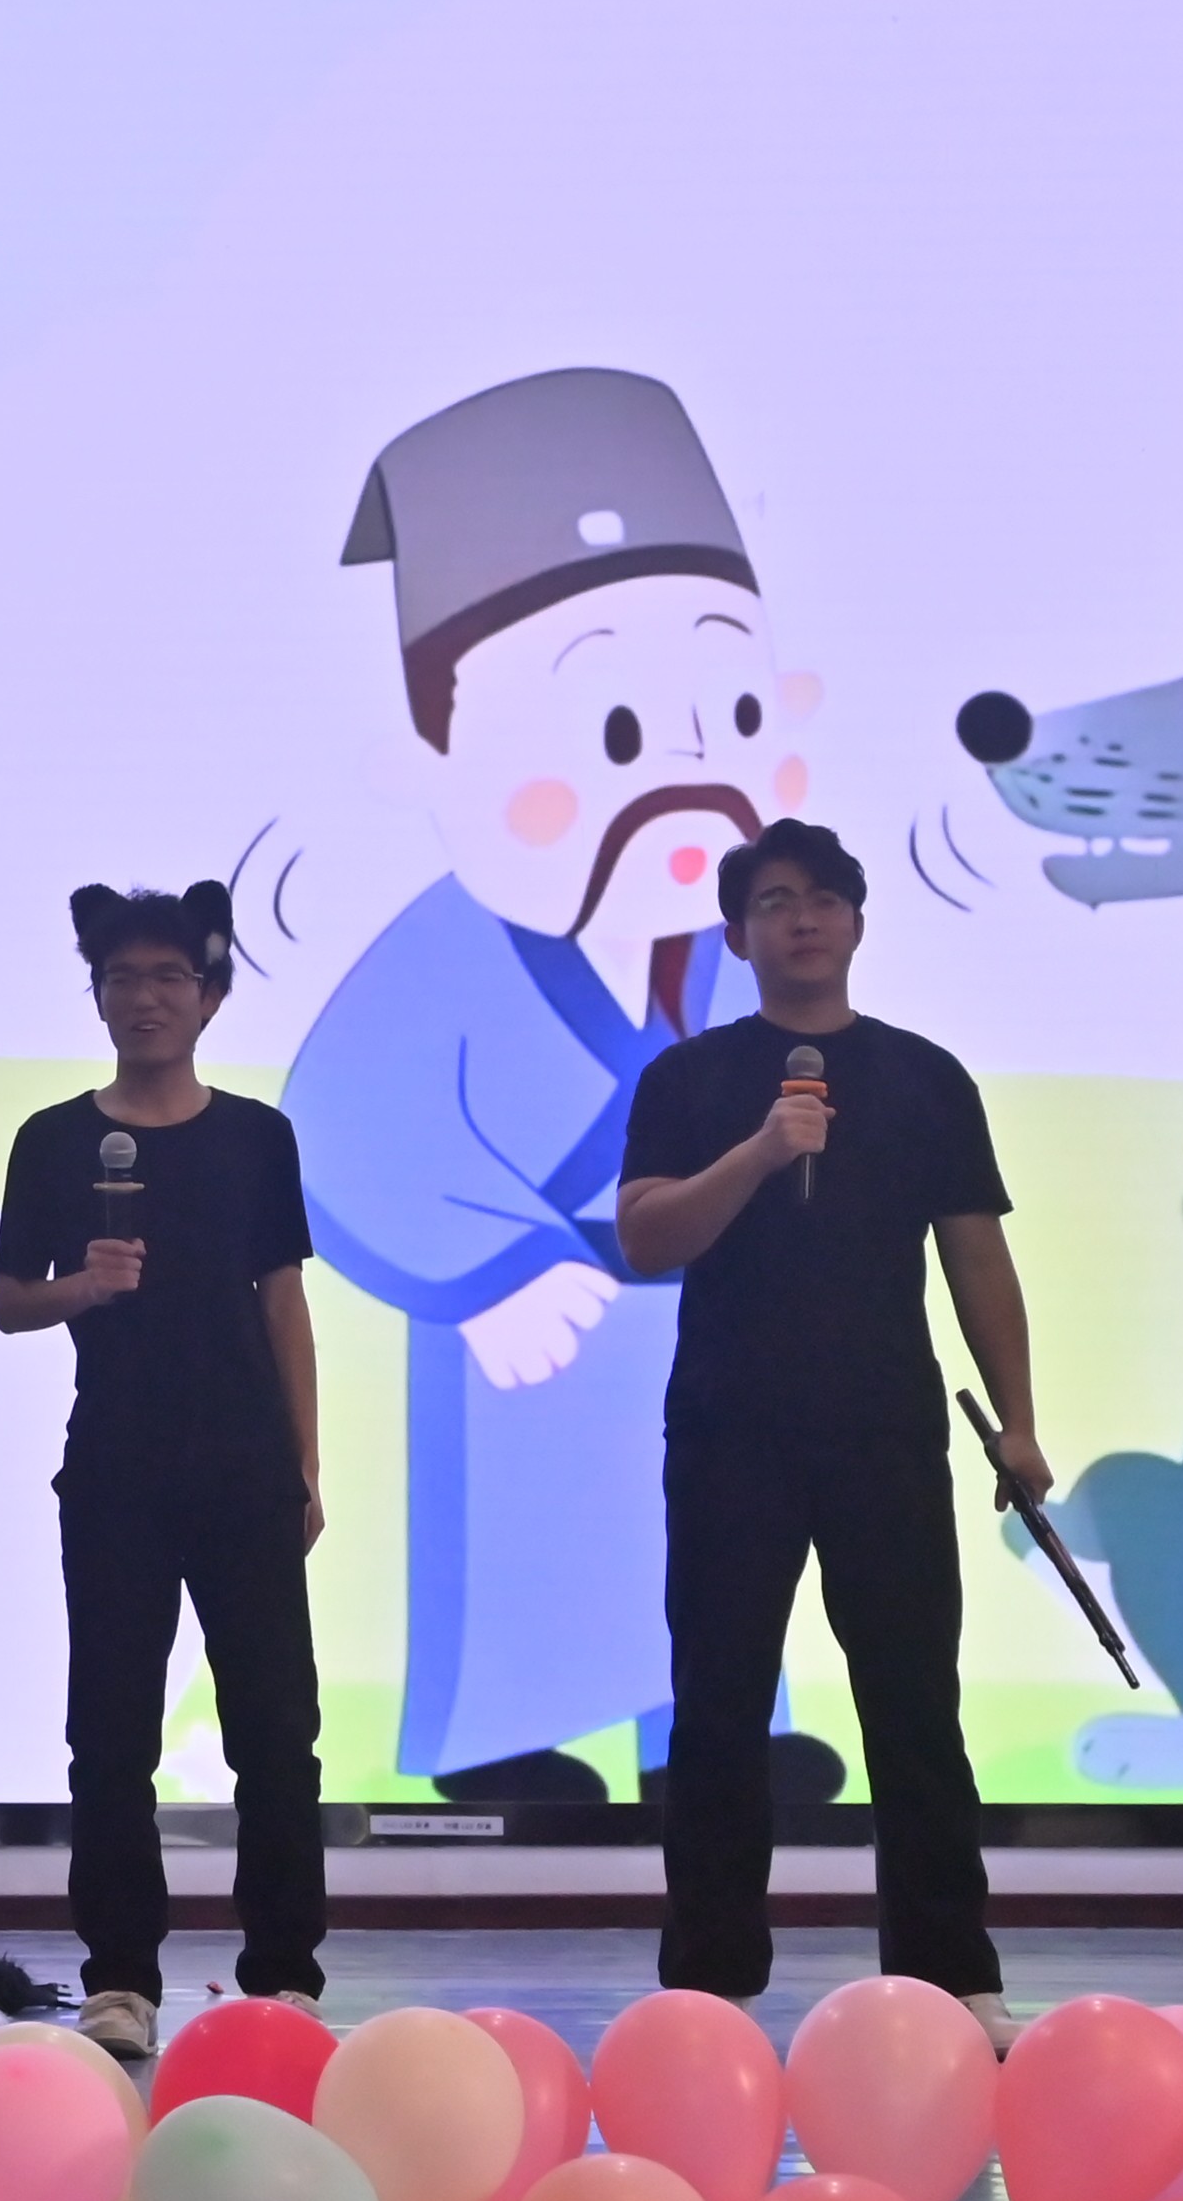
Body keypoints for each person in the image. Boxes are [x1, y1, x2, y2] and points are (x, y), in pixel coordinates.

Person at [278, 365, 815, 1812]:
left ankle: (711, 1731)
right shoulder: (448, 949)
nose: (682, 772)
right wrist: (494, 1270)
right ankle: (500, 1740)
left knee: (717, 1534)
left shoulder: (739, 956)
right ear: (434, 755)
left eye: (735, 708)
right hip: (534, 1320)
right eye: (618, 736)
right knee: (534, 1541)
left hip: (708, 1315)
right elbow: (344, 1134)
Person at [614, 820, 1046, 2003]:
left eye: (821, 898)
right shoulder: (689, 1078)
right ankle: (708, 1984)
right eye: (773, 901)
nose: (800, 918)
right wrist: (761, 1149)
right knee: (716, 1709)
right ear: (735, 934)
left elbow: (976, 1256)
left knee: (914, 1706)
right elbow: (645, 1236)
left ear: (855, 920)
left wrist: (1017, 1419)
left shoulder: (924, 1076)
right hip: (728, 1431)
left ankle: (949, 1978)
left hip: (884, 1429)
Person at [0, 881, 327, 2056]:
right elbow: (6, 1300)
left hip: (245, 1466)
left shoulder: (256, 1136)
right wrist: (80, 1287)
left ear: (209, 995)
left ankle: (281, 1975)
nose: (144, 997)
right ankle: (121, 1977)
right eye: (122, 977)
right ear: (96, 995)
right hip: (116, 1467)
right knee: (110, 1734)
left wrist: (306, 1459)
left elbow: (282, 1301)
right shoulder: (53, 1138)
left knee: (275, 1732)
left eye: (167, 977)